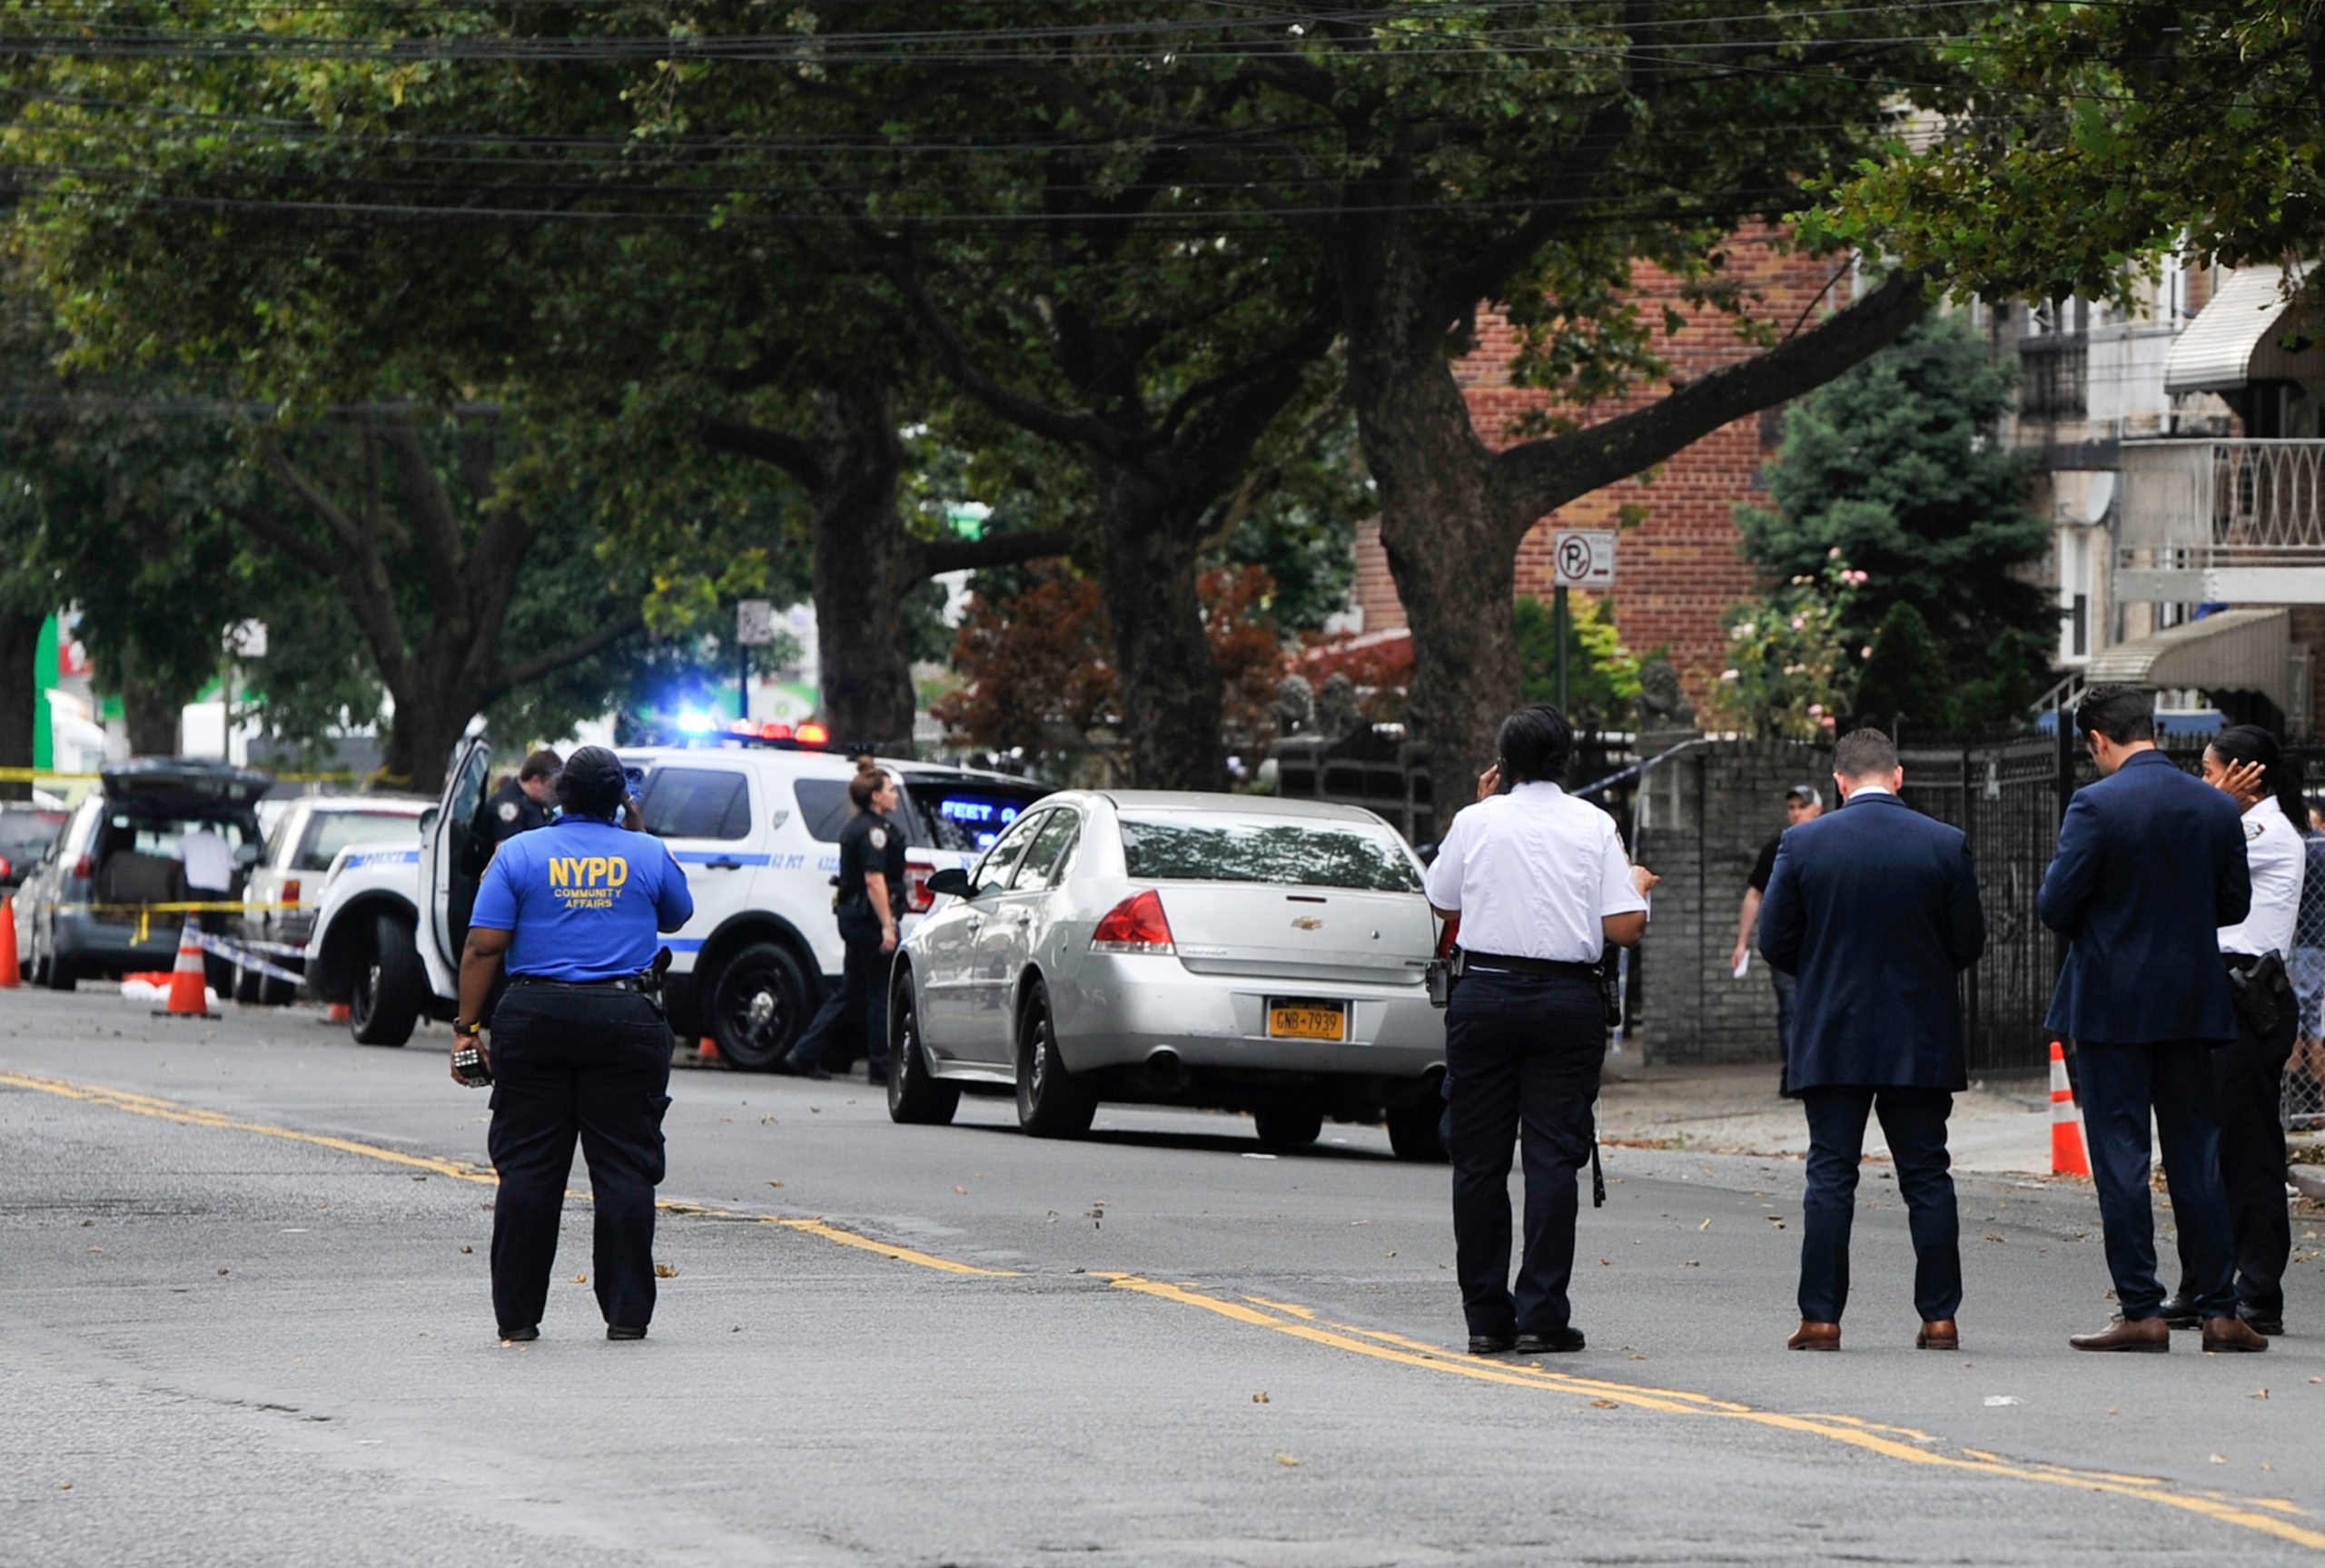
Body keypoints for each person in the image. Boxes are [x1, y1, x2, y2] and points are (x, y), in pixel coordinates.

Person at [1424, 704, 1658, 1357]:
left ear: (1502, 764)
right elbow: (1624, 926)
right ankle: (1541, 1313)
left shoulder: (1476, 821)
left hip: (1486, 992)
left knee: (1478, 1159)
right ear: (1565, 760)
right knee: (1553, 1158)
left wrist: (1473, 813)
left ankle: (1485, 1317)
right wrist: (1637, 884)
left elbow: (1443, 899)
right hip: (1564, 999)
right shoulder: (1594, 824)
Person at [2038, 685, 2264, 1354]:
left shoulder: (2095, 803)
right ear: (2155, 729)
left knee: (2122, 1157)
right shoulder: (2213, 806)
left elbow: (2056, 903)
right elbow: (2234, 902)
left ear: (2098, 739)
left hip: (2111, 1004)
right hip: (2193, 1001)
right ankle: (2222, 1308)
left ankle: (2142, 1307)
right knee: (2197, 1153)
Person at [451, 745, 694, 1344]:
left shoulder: (519, 854)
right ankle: (627, 1313)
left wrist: (468, 1028)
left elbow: (484, 946)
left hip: (535, 1018)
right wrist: (637, 827)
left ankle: (517, 1317)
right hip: (625, 1018)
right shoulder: (648, 852)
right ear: (621, 798)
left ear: (558, 793)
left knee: (529, 1168)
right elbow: (678, 913)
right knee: (625, 1169)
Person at [1757, 728, 1986, 1353]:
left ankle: (1821, 1317)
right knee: (1928, 1174)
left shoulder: (1802, 843)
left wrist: (1826, 968)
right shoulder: (1944, 844)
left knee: (1831, 1174)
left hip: (1834, 1027)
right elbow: (1968, 941)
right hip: (1920, 1030)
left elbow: (1774, 940)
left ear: (1838, 781)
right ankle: (1939, 1316)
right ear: (1899, 775)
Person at [2157, 726, 2305, 1336]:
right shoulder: (2232, 821)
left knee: (2245, 1147)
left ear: (2248, 776)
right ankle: (2204, 1283)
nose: (2202, 781)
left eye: (2212, 770)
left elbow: (2181, 846)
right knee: (2198, 1148)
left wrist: (2217, 799)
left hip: (2247, 997)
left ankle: (2257, 1286)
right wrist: (2218, 797)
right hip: (2212, 990)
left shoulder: (2266, 832)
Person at [784, 767, 905, 1083]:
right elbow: (874, 880)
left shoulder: (857, 826)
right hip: (867, 922)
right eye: (891, 789)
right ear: (876, 796)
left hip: (854, 918)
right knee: (879, 994)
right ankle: (881, 1069)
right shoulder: (874, 832)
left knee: (850, 992)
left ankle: (804, 1053)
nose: (895, 795)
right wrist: (887, 927)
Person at [1731, 784, 1823, 1084]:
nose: (1796, 813)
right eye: (1792, 807)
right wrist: (1742, 943)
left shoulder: (1833, 843)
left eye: (1802, 806)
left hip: (1826, 945)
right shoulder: (1777, 849)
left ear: (1817, 809)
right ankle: (1795, 1074)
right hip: (1790, 947)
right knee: (1791, 1009)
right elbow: (1754, 895)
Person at [481, 749, 562, 851]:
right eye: (550, 787)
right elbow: (508, 853)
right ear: (536, 781)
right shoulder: (509, 805)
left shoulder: (535, 802)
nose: (553, 792)